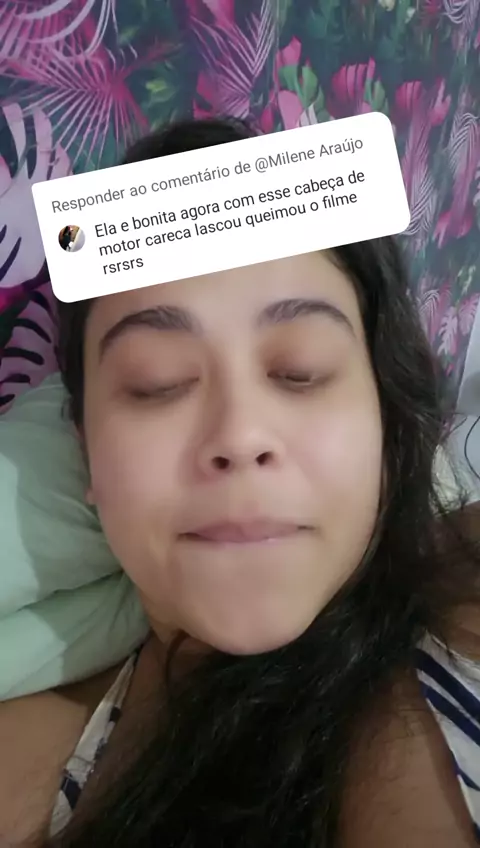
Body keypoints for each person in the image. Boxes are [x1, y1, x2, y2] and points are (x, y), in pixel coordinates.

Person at [1, 116, 480, 848]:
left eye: (301, 370)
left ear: (385, 420)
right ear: (85, 451)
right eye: (157, 382)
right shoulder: (28, 754)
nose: (239, 434)